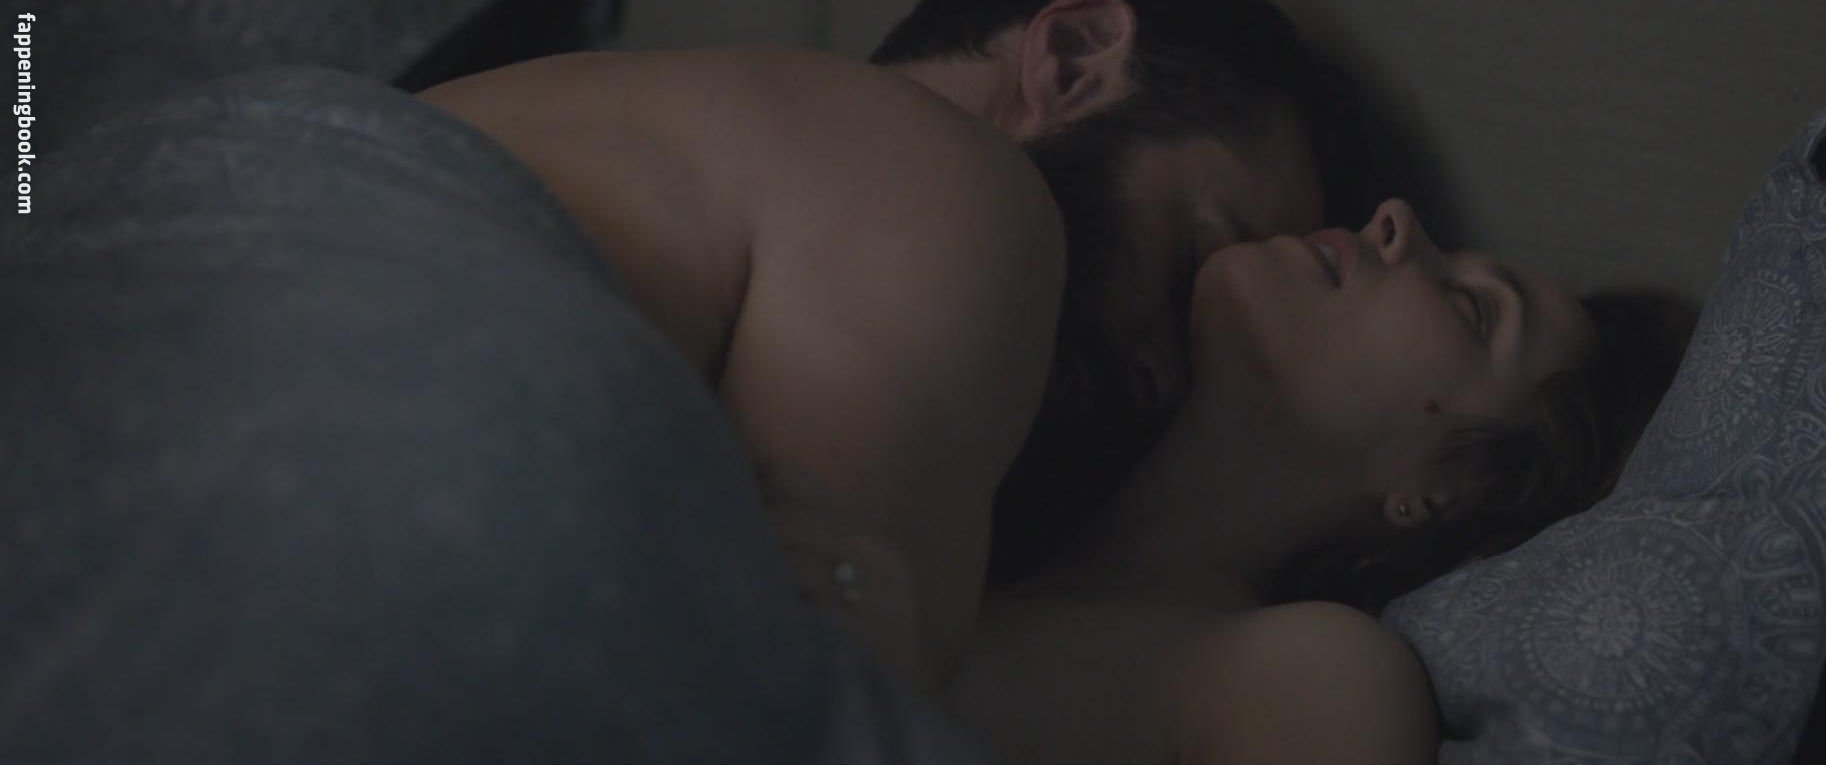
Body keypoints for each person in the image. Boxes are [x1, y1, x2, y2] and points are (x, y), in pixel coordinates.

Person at [415, 0, 1354, 690]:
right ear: (1074, 59)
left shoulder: (613, 130)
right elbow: (817, 687)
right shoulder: (939, 171)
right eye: (1188, 266)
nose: (1166, 376)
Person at [942, 200, 1698, 764]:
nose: (1395, 217)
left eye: (1471, 308)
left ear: (1443, 486)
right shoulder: (986, 471)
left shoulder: (1308, 674)